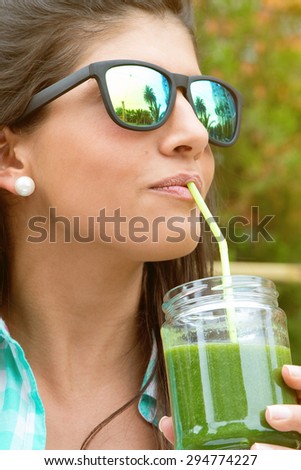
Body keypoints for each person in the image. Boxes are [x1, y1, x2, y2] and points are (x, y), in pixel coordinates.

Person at [0, 0, 300, 451]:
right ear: (10, 155)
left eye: (203, 101)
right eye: (136, 93)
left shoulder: (253, 393)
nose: (196, 132)